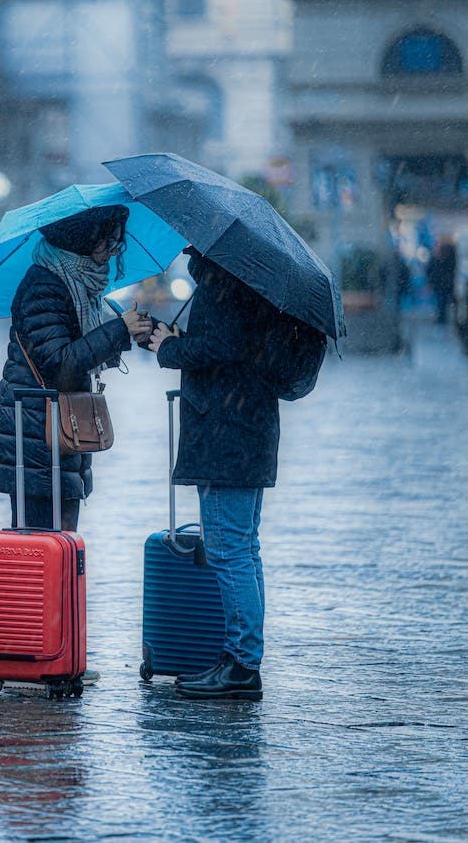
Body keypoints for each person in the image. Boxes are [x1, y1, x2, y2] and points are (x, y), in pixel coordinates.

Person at [147, 247, 282, 701]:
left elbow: (221, 348)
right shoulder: (247, 280)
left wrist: (169, 347)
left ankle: (243, 664)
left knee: (229, 551)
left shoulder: (226, 286)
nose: (184, 247)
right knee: (244, 548)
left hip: (229, 436)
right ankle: (242, 658)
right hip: (245, 430)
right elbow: (232, 347)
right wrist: (181, 337)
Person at [0, 204, 152, 532]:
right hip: (33, 436)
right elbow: (61, 366)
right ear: (82, 240)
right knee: (41, 547)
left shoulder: (81, 286)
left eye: (118, 243)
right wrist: (118, 331)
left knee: (61, 543)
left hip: (57, 433)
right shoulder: (44, 287)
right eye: (109, 242)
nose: (115, 251)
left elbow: (79, 352)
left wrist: (134, 330)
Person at [427, 238, 457, 324]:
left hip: (442, 284)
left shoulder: (442, 256)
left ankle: (442, 318)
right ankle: (442, 318)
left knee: (442, 301)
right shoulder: (445, 256)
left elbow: (431, 270)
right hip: (443, 283)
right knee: (442, 302)